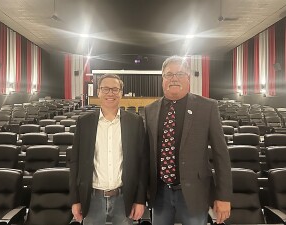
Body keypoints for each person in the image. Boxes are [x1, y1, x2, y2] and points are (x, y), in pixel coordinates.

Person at [144, 56, 232, 225]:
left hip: (194, 194)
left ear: (188, 77)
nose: (174, 78)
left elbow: (221, 156)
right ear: (162, 79)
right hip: (160, 193)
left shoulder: (207, 107)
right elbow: (145, 156)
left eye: (180, 74)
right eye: (169, 74)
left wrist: (223, 196)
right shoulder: (150, 110)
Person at [70, 74, 148, 225]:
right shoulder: (84, 122)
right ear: (98, 92)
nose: (110, 93)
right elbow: (75, 163)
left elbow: (142, 163)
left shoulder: (135, 122)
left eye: (115, 89)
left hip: (124, 198)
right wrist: (75, 200)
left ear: (121, 93)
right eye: (105, 89)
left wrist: (140, 200)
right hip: (92, 198)